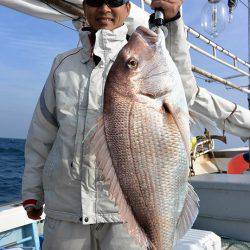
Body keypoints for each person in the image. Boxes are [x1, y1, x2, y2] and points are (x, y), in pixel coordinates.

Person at [22, 0, 250, 249]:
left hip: (123, 217)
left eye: (115, 0)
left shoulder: (149, 57)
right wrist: (32, 190)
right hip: (66, 210)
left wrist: (173, 20)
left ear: (128, 9)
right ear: (85, 7)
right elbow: (42, 133)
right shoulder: (62, 65)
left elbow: (183, 83)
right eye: (95, 0)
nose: (105, 8)